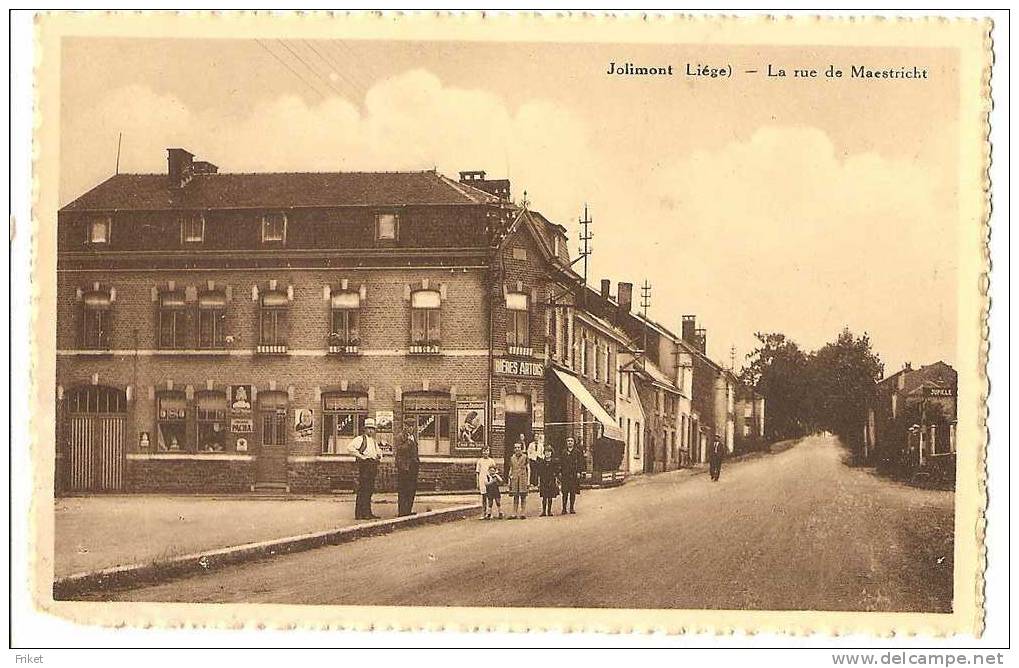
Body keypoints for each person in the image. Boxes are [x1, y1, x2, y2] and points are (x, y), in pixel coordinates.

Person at [347, 417, 382, 519]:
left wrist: (379, 455)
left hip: (372, 465)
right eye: (369, 428)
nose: (371, 430)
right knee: (363, 489)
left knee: (370, 489)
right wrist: (361, 457)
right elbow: (350, 448)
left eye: (372, 429)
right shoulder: (360, 439)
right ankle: (360, 513)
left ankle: (368, 512)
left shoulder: (374, 441)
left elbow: (379, 452)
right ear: (365, 429)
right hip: (365, 465)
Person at [395, 424, 420, 517]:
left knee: (411, 489)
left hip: (413, 466)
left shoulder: (413, 437)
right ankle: (402, 511)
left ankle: (408, 510)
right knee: (403, 489)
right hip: (404, 467)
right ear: (404, 426)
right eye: (408, 426)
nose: (410, 428)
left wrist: (417, 461)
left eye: (412, 426)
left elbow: (415, 451)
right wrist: (409, 442)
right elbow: (400, 449)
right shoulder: (400, 437)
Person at [559, 436, 583, 514]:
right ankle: (564, 508)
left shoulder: (577, 452)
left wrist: (579, 472)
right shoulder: (563, 452)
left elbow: (580, 463)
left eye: (571, 441)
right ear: (566, 443)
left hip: (573, 475)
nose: (570, 442)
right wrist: (560, 472)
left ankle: (572, 508)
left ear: (573, 442)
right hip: (565, 475)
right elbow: (560, 463)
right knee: (565, 492)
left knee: (572, 492)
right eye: (568, 441)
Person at [475, 446, 500, 519]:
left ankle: (489, 513)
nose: (485, 452)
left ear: (489, 452)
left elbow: (495, 472)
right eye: (484, 451)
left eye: (487, 451)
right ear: (482, 452)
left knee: (490, 497)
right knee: (483, 497)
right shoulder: (480, 461)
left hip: (490, 481)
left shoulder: (491, 461)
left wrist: (494, 480)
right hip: (482, 480)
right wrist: (477, 482)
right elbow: (477, 472)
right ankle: (483, 513)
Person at [507, 441, 530, 519]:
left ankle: (522, 513)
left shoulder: (525, 457)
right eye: (515, 447)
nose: (517, 449)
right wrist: (509, 480)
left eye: (518, 447)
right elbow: (511, 469)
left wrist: (528, 480)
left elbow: (528, 469)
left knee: (523, 496)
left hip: (523, 478)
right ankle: (514, 513)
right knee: (515, 496)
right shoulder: (512, 458)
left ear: (521, 448)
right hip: (515, 478)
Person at [536, 447, 560, 517]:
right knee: (544, 497)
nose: (547, 453)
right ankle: (543, 511)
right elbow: (539, 473)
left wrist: (556, 480)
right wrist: (539, 482)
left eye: (549, 452)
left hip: (551, 480)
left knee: (550, 496)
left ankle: (549, 511)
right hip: (544, 480)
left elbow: (556, 472)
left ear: (551, 453)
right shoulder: (542, 462)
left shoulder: (554, 462)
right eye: (546, 452)